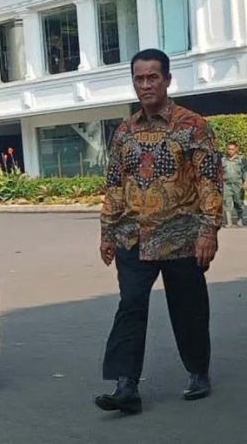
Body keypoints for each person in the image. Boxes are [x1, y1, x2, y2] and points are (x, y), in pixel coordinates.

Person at [96, 49, 222, 415]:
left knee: (189, 308)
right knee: (130, 306)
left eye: (153, 77)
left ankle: (198, 371)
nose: (146, 84)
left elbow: (210, 182)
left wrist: (208, 231)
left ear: (167, 80)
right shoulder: (124, 131)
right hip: (132, 237)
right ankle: (125, 385)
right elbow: (115, 184)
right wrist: (107, 230)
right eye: (139, 78)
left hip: (182, 237)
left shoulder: (193, 126)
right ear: (133, 82)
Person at [221, 141, 247, 227]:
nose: (230, 151)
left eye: (232, 149)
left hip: (238, 185)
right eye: (229, 149)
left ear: (236, 149)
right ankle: (229, 222)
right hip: (226, 184)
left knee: (239, 203)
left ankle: (239, 220)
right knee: (227, 203)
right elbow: (219, 172)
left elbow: (245, 172)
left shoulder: (241, 160)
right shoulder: (223, 160)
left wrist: (246, 182)